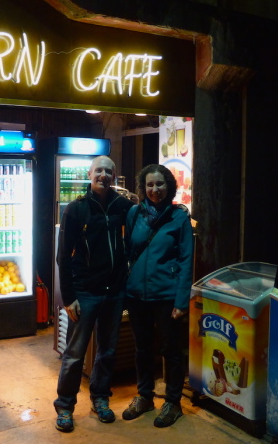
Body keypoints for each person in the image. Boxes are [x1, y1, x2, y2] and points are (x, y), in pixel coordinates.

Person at [53, 155, 134, 433]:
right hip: (85, 291)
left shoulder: (122, 206)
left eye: (108, 171)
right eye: (98, 170)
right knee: (74, 354)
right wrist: (68, 297)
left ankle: (100, 399)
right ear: (90, 174)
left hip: (114, 291)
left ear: (114, 176)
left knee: (108, 350)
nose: (103, 174)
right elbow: (63, 256)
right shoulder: (76, 209)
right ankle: (64, 406)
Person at [121, 164, 194, 428]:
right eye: (150, 185)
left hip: (167, 295)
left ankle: (173, 402)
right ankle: (145, 396)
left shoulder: (179, 218)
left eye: (160, 184)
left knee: (170, 349)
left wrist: (181, 300)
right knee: (142, 349)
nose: (155, 190)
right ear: (143, 188)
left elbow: (187, 261)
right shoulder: (134, 214)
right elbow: (129, 250)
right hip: (137, 295)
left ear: (169, 187)